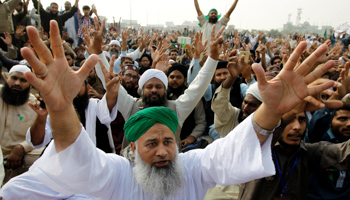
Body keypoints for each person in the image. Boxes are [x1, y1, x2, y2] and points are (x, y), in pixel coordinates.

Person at [0, 20, 336, 199]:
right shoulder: (118, 174)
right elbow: (80, 157)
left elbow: (228, 151)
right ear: (131, 147)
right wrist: (61, 110)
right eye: (151, 143)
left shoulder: (190, 168)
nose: (163, 151)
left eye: (168, 141)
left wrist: (269, 113)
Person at [0, 65, 43, 184]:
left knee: (42, 160)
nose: (17, 83)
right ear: (7, 78)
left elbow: (39, 135)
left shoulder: (35, 104)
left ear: (30, 83)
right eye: (14, 78)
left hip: (19, 155)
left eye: (23, 80)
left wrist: (22, 147)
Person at [166, 63, 207, 149]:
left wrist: (191, 137)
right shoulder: (162, 96)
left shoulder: (193, 97)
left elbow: (201, 122)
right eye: (172, 77)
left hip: (187, 141)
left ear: (185, 80)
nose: (175, 80)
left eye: (178, 77)